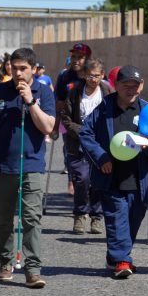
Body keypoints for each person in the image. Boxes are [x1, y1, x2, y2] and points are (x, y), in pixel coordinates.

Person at [79, 65, 148, 279]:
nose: (131, 90)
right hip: (112, 177)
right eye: (126, 85)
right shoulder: (104, 109)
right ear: (116, 86)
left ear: (142, 86)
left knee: (132, 220)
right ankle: (123, 260)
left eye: (135, 86)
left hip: (140, 179)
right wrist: (101, 158)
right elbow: (85, 133)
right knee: (117, 217)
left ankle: (115, 255)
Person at [0, 47, 55, 288]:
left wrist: (31, 102)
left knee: (32, 217)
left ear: (33, 69)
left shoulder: (43, 92)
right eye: (14, 68)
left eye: (23, 68)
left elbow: (48, 127)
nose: (18, 73)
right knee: (3, 218)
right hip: (3, 165)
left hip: (32, 164)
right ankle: (5, 262)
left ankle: (33, 268)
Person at [59, 57, 112, 235]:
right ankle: (80, 213)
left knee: (98, 180)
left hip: (99, 144)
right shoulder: (75, 92)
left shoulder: (107, 91)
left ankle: (97, 216)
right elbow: (66, 118)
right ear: (84, 75)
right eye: (90, 76)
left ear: (102, 75)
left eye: (97, 76)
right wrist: (81, 132)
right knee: (81, 179)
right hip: (77, 143)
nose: (93, 79)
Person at [54, 43, 91, 194]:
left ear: (87, 59)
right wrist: (55, 126)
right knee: (71, 152)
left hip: (90, 123)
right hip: (69, 122)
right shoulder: (65, 76)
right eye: (73, 56)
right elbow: (59, 101)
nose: (76, 60)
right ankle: (72, 180)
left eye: (80, 57)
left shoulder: (94, 75)